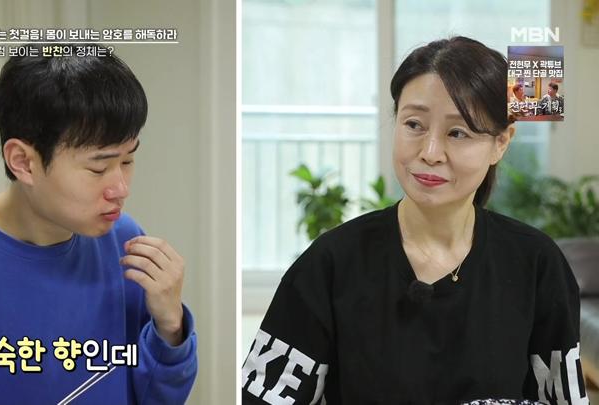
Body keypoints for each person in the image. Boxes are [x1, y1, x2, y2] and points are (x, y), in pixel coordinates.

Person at [242, 37, 586, 404]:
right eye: (414, 124)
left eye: (458, 132)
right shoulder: (330, 264)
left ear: (501, 143)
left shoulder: (536, 264)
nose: (430, 153)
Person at [0, 44, 198, 405]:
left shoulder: (125, 244)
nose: (121, 188)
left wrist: (170, 326)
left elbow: (158, 397)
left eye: (128, 161)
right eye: (98, 167)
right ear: (23, 162)